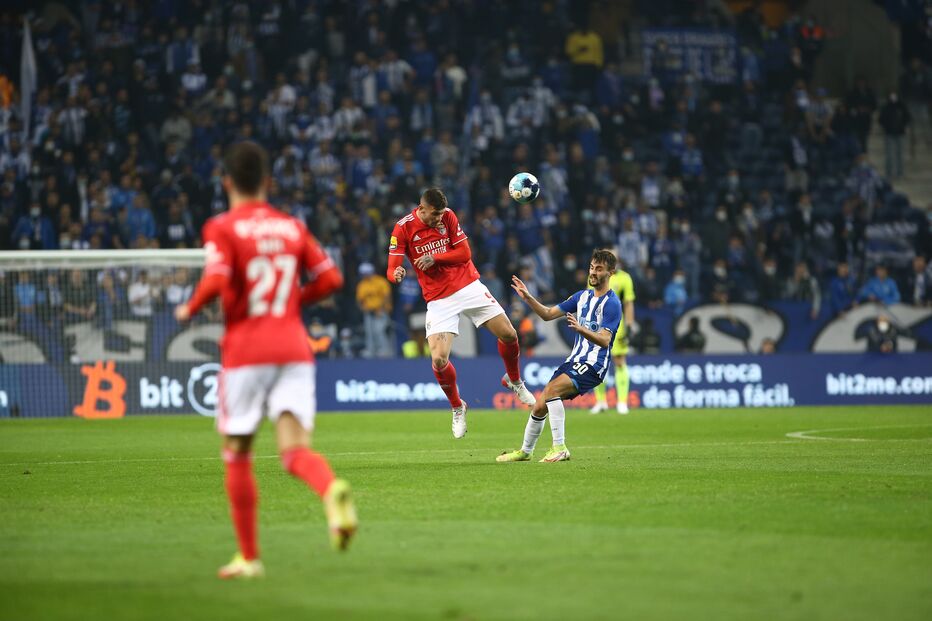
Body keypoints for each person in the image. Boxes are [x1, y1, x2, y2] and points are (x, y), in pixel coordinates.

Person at [174, 142, 357, 580]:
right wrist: (295, 298)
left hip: (246, 351)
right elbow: (331, 278)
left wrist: (190, 308)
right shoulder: (291, 226)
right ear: (267, 183)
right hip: (294, 347)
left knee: (237, 452)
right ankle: (330, 489)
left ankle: (249, 557)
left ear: (227, 183)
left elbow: (217, 278)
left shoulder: (222, 226)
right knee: (294, 452)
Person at [386, 187, 535, 439]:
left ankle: (514, 381)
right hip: (438, 298)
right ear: (421, 209)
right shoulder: (402, 228)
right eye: (434, 214)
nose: (438, 219)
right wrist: (397, 274)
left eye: (441, 213)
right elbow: (391, 269)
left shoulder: (448, 216)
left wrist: (435, 257)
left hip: (468, 285)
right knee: (439, 360)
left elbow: (465, 253)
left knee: (509, 334)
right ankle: (457, 406)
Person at [497, 249, 622, 463]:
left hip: (594, 364)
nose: (593, 272)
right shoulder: (581, 297)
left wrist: (581, 329)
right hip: (574, 360)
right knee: (539, 404)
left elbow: (604, 341)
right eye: (592, 267)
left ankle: (560, 447)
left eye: (599, 269)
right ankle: (525, 451)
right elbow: (547, 315)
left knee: (553, 390)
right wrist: (528, 298)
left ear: (611, 272)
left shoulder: (612, 304)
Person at [588, 257, 636, 415]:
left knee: (619, 361)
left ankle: (622, 402)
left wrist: (629, 325)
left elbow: (628, 302)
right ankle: (601, 402)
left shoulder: (624, 278)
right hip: (597, 325)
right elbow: (589, 299)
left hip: (617, 326)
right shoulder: (595, 276)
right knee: (596, 363)